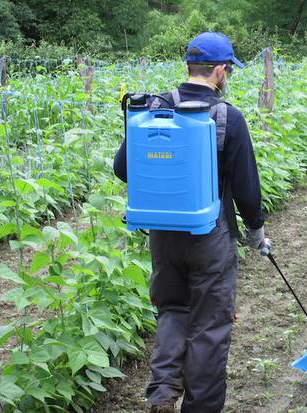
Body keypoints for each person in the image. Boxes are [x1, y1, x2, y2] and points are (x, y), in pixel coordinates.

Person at [113, 32, 271, 413]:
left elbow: (122, 168)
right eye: (228, 69)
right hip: (210, 239)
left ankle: (163, 393)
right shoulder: (227, 118)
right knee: (210, 329)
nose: (227, 75)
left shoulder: (154, 107)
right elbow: (248, 189)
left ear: (188, 67)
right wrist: (256, 232)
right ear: (220, 71)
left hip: (164, 236)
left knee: (172, 311)